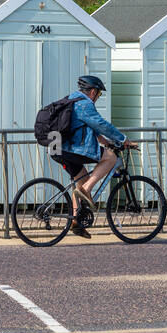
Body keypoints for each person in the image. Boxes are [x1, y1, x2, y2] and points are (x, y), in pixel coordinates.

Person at [50, 74, 137, 238]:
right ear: (92, 92)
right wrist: (123, 139)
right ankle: (86, 189)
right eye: (99, 94)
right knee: (110, 157)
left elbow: (91, 128)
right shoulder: (85, 104)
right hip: (72, 149)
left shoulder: (71, 100)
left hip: (59, 149)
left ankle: (76, 221)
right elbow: (101, 124)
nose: (98, 97)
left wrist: (106, 142)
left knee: (80, 180)